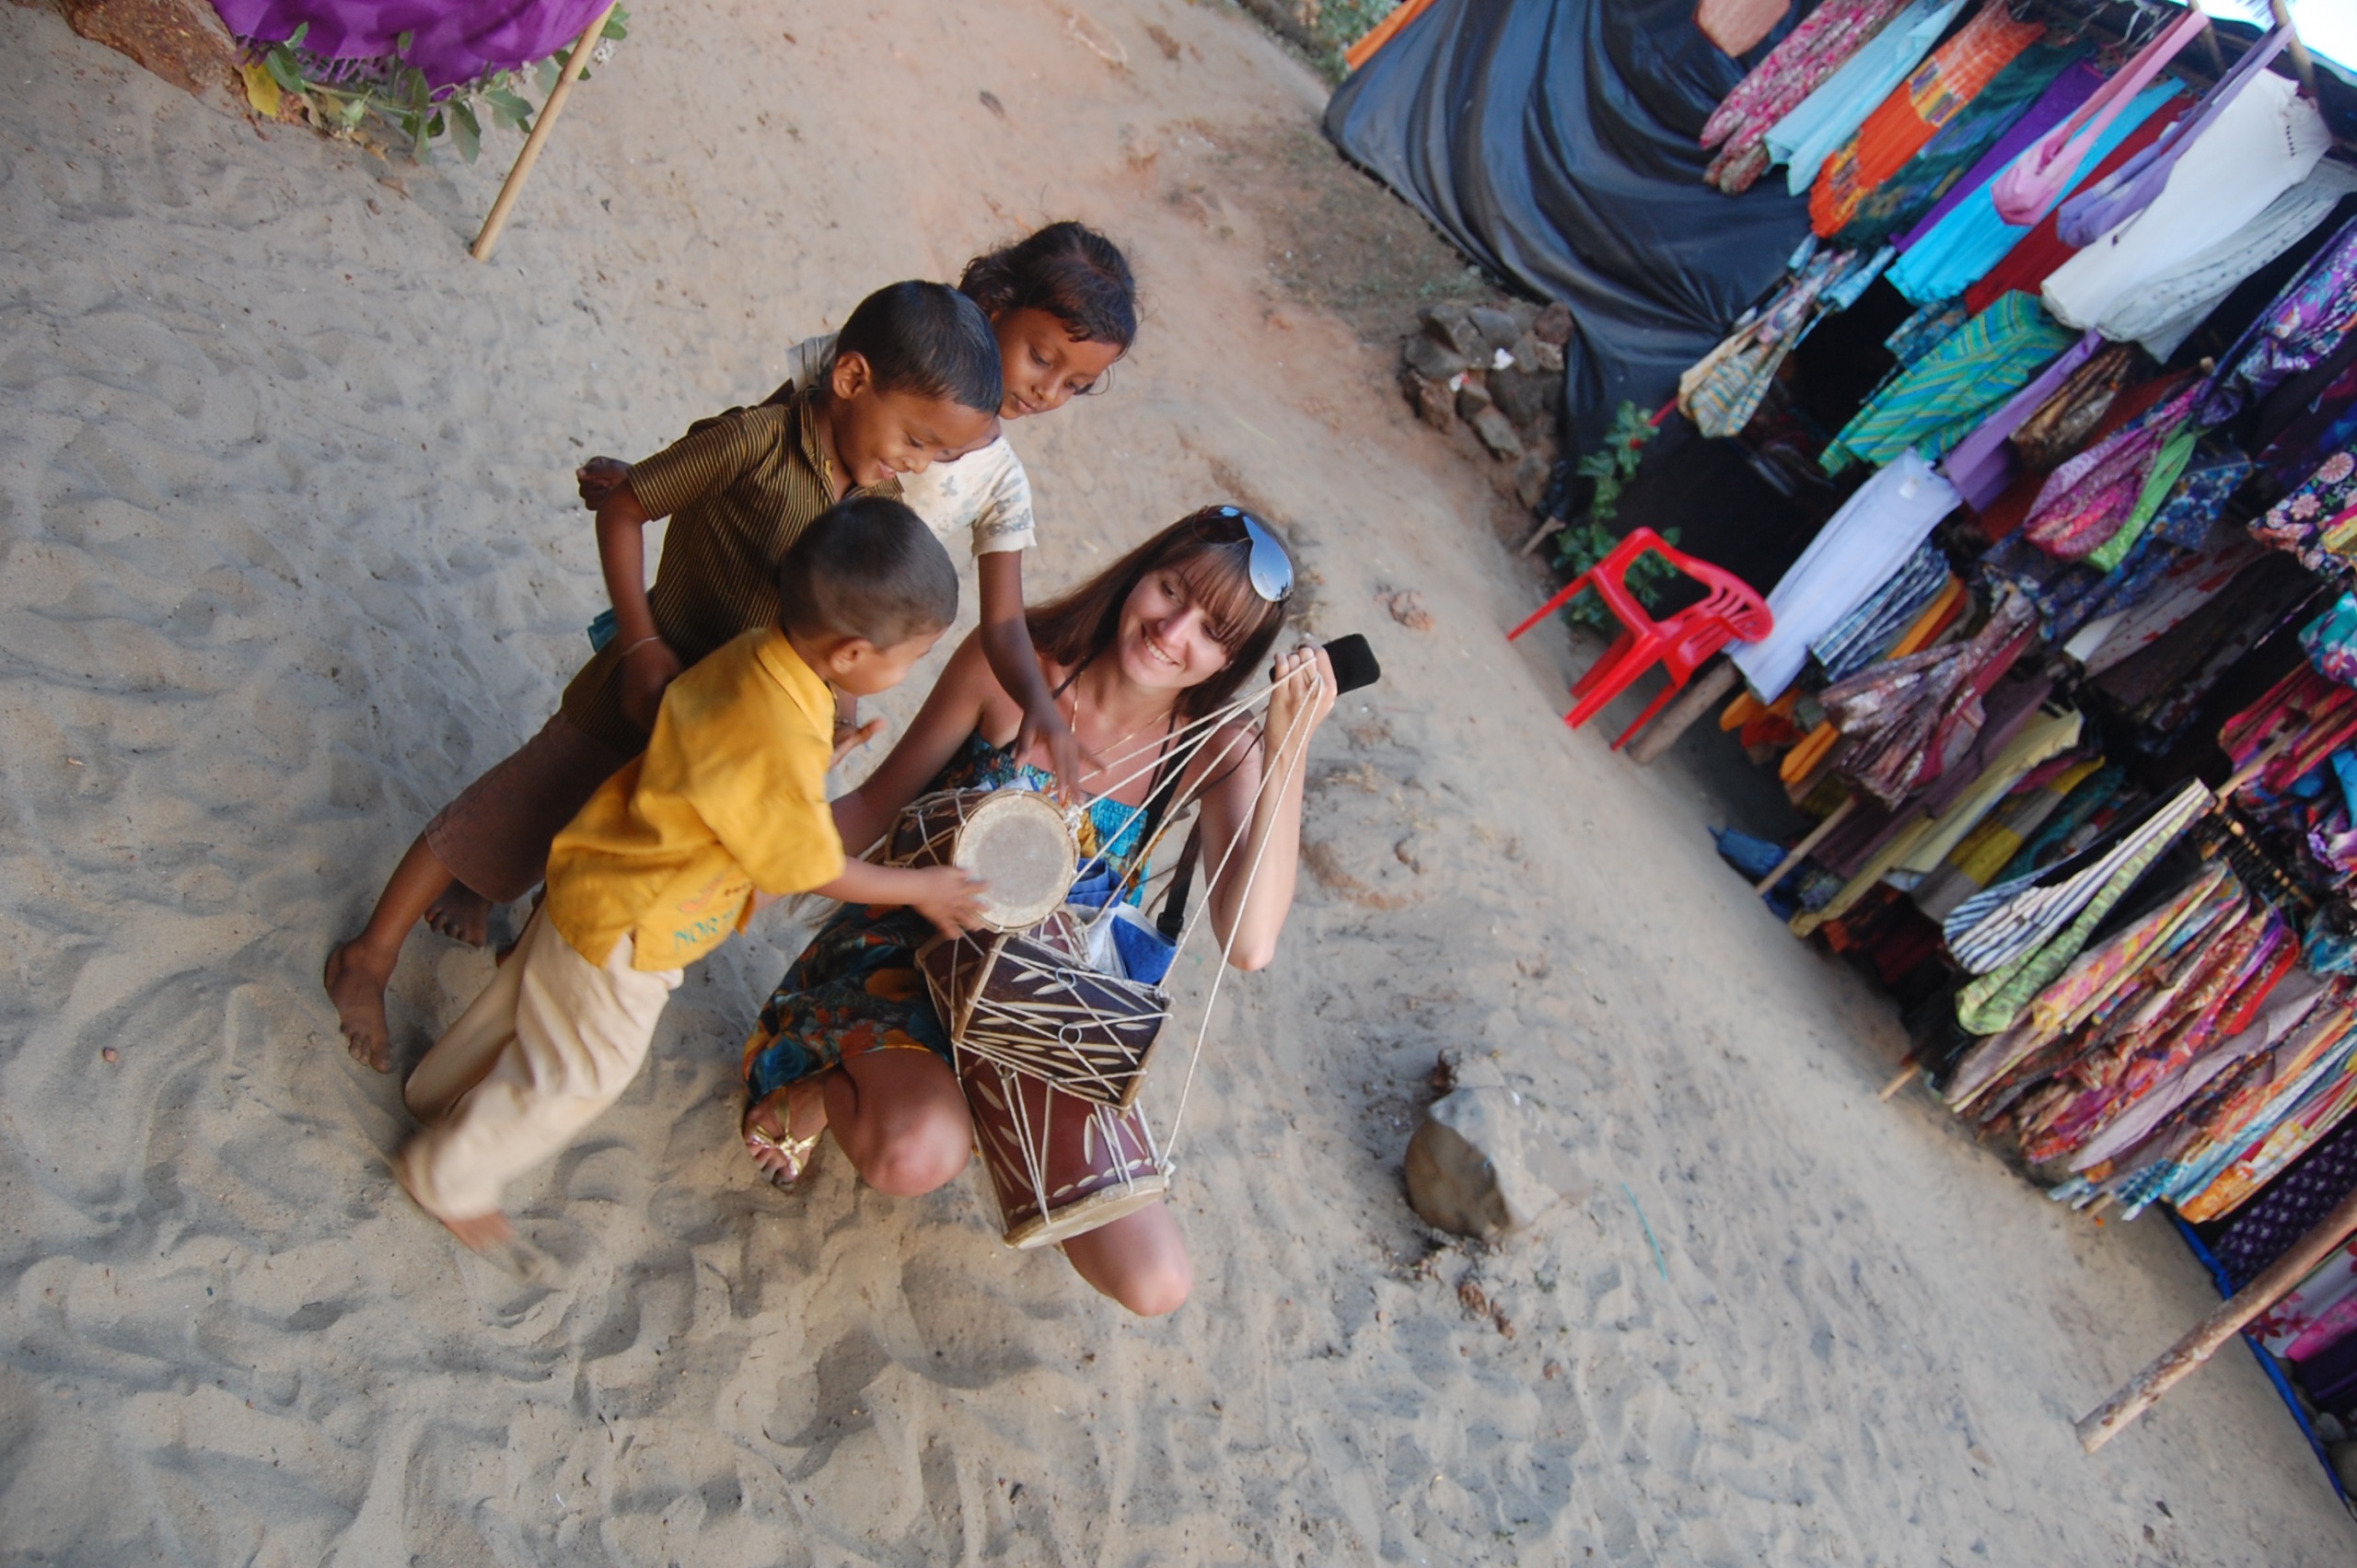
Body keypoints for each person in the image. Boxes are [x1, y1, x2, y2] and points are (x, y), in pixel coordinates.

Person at [325, 281, 1003, 1072]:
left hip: (713, 742)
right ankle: (369, 955)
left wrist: (836, 718)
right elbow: (625, 507)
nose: (917, 464)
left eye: (936, 456)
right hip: (640, 693)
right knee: (510, 811)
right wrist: (642, 643)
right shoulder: (754, 442)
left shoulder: (876, 502)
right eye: (916, 439)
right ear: (852, 378)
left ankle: (502, 987)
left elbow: (854, 634)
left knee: (605, 861)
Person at [737, 506, 1338, 1317]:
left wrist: (1288, 749)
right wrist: (745, 867)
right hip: (914, 952)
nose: (1172, 632)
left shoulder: (1213, 748)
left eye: (1212, 631)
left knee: (1155, 1280)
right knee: (916, 1152)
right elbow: (876, 806)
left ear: (1232, 660)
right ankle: (815, 1089)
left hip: (1042, 1010)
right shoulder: (1015, 667)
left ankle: (968, 1102)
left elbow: (1251, 941)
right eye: (1171, 589)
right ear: (1143, 568)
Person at [394, 498, 987, 1253]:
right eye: (910, 657)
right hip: (636, 924)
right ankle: (449, 1175)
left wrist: (815, 763)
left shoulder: (763, 658)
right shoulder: (777, 732)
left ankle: (434, 1094)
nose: (906, 673)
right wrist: (921, 888)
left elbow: (750, 785)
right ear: (850, 653)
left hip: (601, 869)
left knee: (524, 1001)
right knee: (586, 1068)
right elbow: (812, 865)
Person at [578, 221, 1137, 790]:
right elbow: (755, 434)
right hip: (712, 603)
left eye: (1075, 385)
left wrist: (1038, 701)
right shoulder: (880, 361)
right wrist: (651, 479)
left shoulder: (1001, 484)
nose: (1049, 391)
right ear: (995, 305)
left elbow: (1000, 621)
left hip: (794, 666)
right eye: (1041, 358)